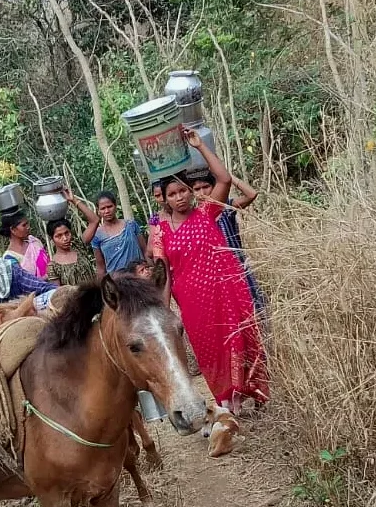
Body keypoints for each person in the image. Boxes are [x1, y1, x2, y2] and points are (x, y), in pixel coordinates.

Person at [149, 127, 269, 415]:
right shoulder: (159, 231)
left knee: (236, 337)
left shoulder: (207, 211)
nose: (179, 197)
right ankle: (226, 400)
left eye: (183, 191)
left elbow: (225, 179)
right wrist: (162, 311)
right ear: (164, 199)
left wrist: (200, 146)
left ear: (191, 192)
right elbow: (164, 272)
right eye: (172, 194)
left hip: (224, 290)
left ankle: (248, 392)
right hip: (191, 300)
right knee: (209, 349)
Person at [187, 169, 266, 312]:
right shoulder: (191, 218)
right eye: (197, 189)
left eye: (206, 187)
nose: (202, 193)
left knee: (252, 308)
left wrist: (227, 176)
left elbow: (251, 194)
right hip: (213, 276)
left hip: (238, 268)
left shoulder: (226, 207)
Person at [84, 189, 147, 278]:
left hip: (139, 277)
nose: (107, 211)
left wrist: (152, 271)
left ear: (115, 206)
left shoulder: (131, 225)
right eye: (103, 208)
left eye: (109, 206)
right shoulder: (96, 236)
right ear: (98, 211)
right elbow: (101, 267)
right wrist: (102, 288)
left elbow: (145, 251)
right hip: (117, 282)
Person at [43, 217, 97, 287]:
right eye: (59, 236)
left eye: (67, 233)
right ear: (52, 238)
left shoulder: (79, 247)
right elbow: (58, 293)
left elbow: (95, 221)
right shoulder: (53, 267)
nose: (65, 238)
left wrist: (76, 205)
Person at [0, 212, 48, 278]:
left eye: (27, 224)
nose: (28, 227)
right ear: (13, 230)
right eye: (24, 225)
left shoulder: (34, 242)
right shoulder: (9, 258)